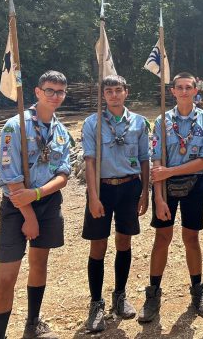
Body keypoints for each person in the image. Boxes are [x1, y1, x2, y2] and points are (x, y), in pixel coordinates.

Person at [0, 71, 71, 339]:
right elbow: (10, 175)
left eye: (60, 91)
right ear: (37, 92)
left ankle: (32, 324)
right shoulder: (15, 126)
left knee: (39, 264)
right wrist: (28, 215)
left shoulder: (61, 132)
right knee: (7, 275)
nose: (55, 96)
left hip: (46, 203)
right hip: (17, 208)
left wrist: (36, 195)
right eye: (49, 90)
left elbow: (63, 175)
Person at [140, 72, 203, 323]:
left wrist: (170, 171)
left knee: (191, 238)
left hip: (194, 184)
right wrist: (159, 198)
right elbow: (157, 160)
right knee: (162, 238)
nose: (184, 91)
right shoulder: (162, 120)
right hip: (165, 188)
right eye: (179, 87)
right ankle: (153, 294)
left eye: (188, 87)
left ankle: (197, 291)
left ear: (196, 90)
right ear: (172, 91)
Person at [80, 75, 150, 332]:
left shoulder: (139, 122)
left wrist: (145, 192)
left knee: (124, 241)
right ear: (103, 95)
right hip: (103, 188)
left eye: (118, 90)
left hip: (129, 187)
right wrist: (93, 196)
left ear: (126, 92)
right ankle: (96, 303)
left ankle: (120, 295)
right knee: (98, 245)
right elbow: (89, 161)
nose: (114, 95)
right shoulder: (92, 123)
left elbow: (144, 159)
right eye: (108, 91)